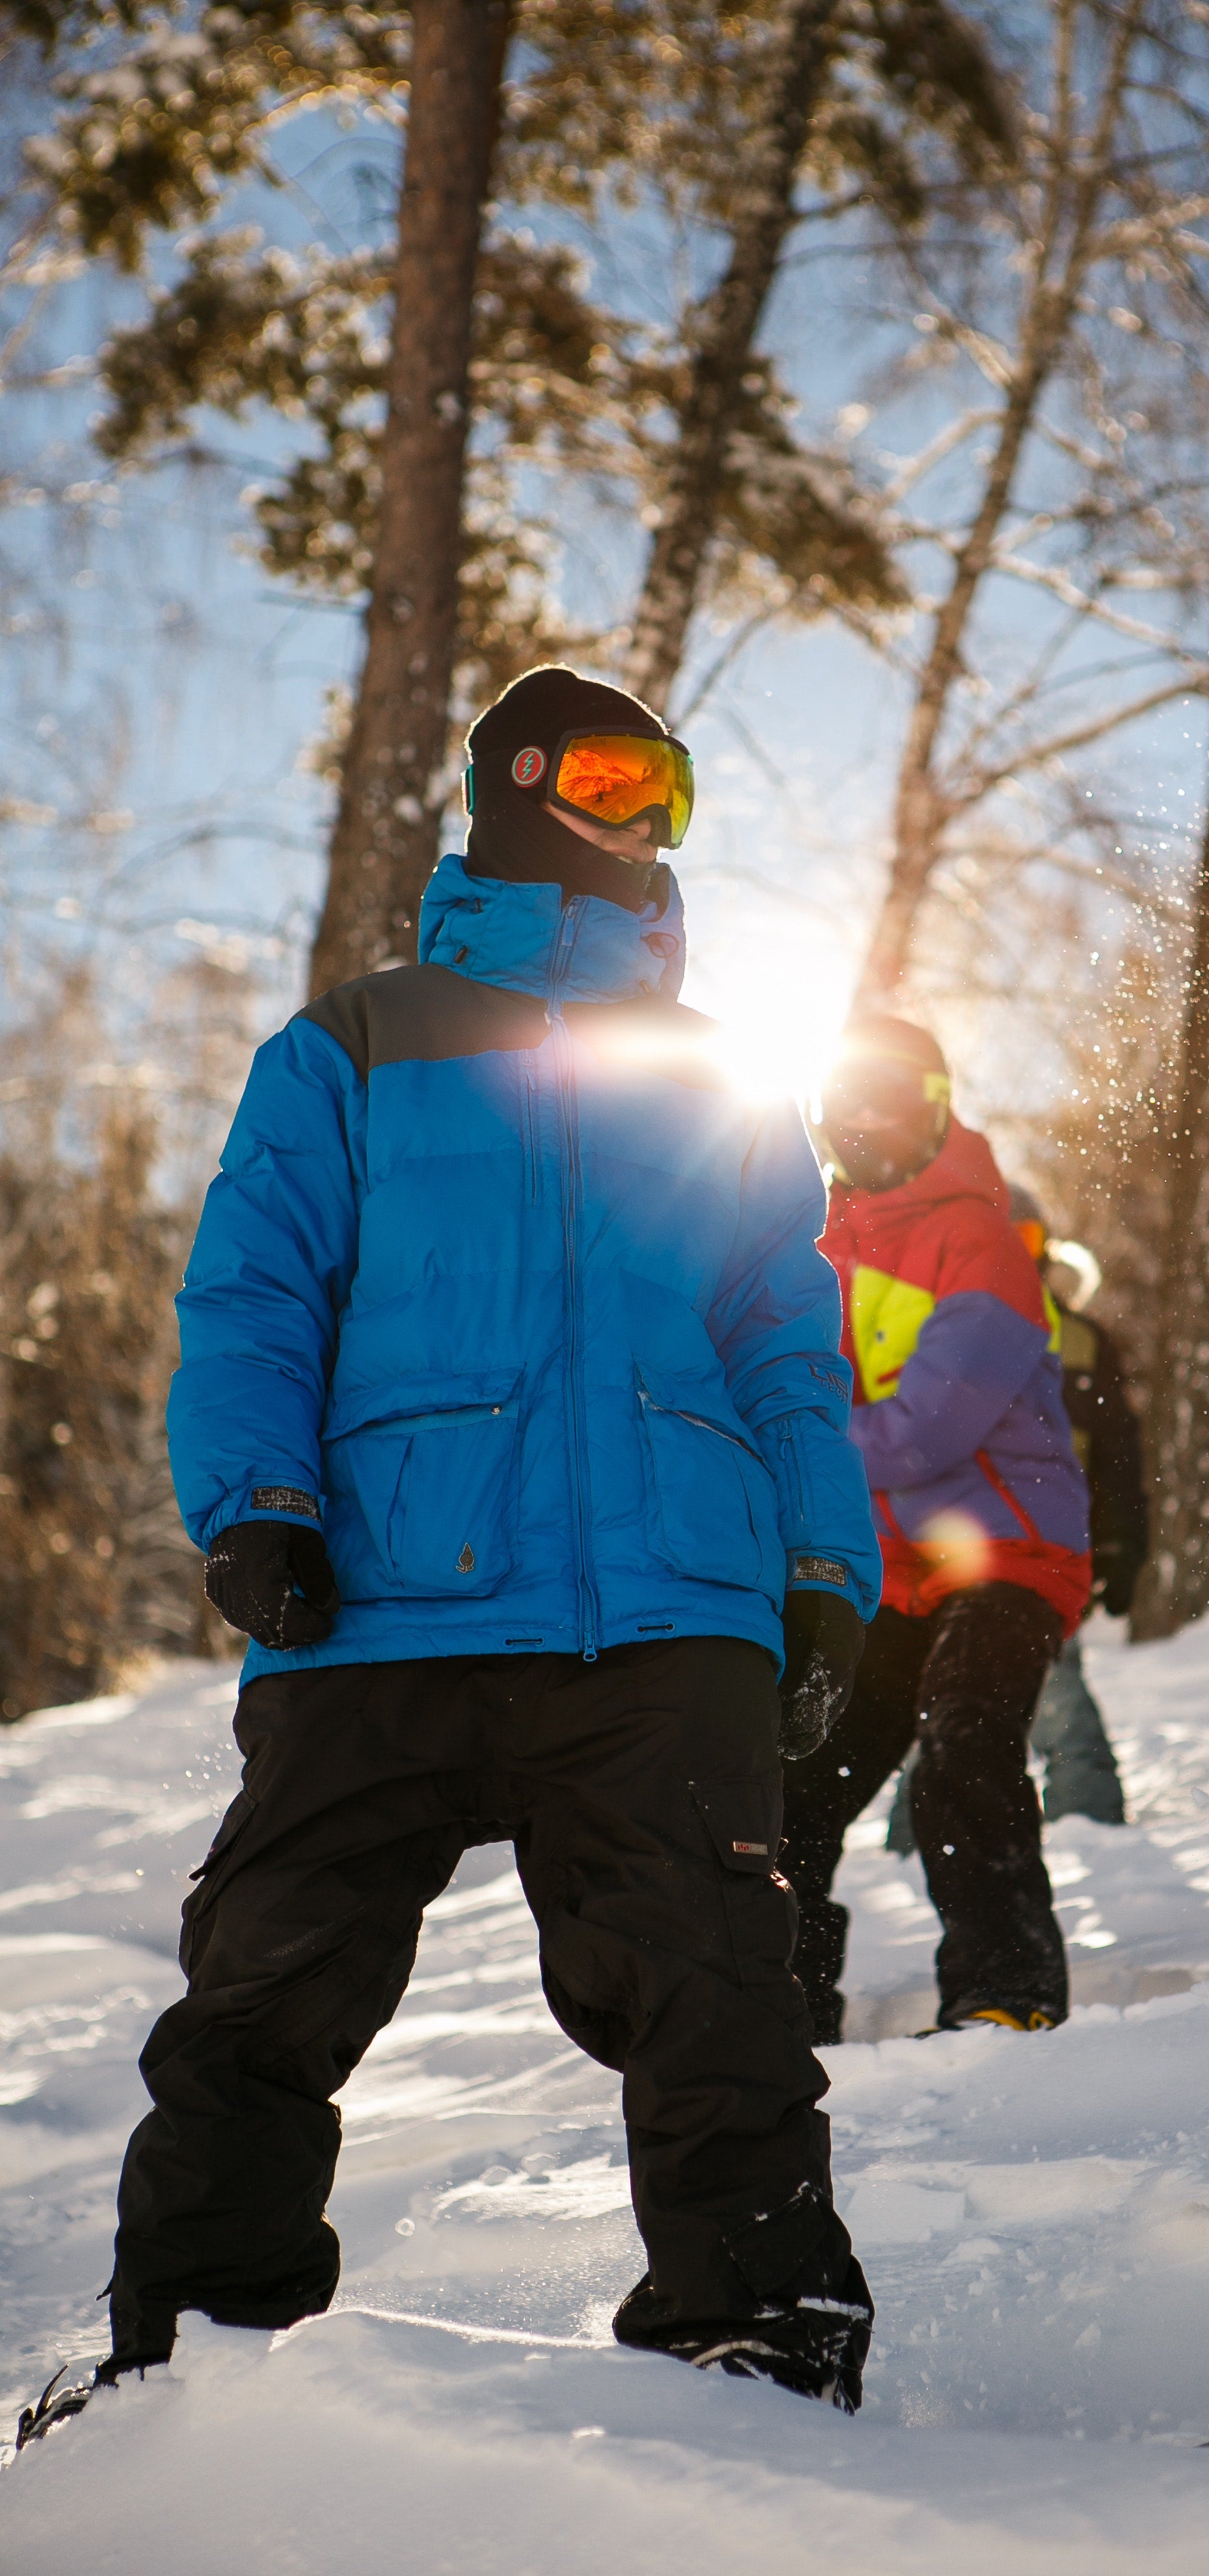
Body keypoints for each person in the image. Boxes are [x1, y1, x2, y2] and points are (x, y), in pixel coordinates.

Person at [18, 665, 884, 2449]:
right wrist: (256, 1503)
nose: (642, 812)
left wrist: (823, 1567)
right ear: (507, 782)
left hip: (663, 1604)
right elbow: (255, 1293)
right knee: (269, 1979)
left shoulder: (721, 1071)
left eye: (672, 785)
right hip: (380, 1606)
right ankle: (185, 2371)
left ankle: (765, 2346)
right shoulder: (355, 1043)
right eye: (608, 769)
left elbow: (784, 1332)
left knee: (713, 1977)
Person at [780, 1017, 1091, 2045]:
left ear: (933, 1106)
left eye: (890, 1100)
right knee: (797, 1773)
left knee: (964, 1743)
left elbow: (927, 1430)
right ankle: (779, 1999)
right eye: (847, 1100)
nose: (866, 1122)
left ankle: (1007, 1991)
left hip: (1007, 1549)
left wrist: (786, 1444)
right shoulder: (812, 1244)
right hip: (892, 1571)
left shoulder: (981, 1240)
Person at [886, 1185, 1141, 1845]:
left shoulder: (1080, 1339)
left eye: (1024, 1241)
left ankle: (1092, 1818)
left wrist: (1120, 1545)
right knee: (943, 1692)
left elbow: (1116, 1453)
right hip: (945, 1542)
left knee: (1053, 1690)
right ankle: (914, 1836)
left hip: (1045, 1544)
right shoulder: (939, 1330)